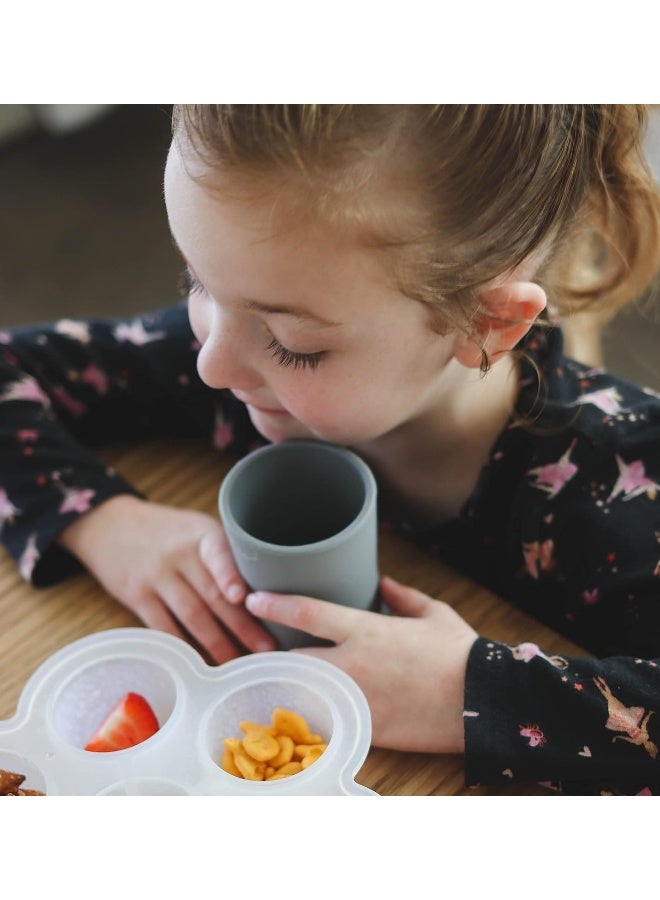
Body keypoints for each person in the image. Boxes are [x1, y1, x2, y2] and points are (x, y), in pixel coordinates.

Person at [1, 105, 659, 795]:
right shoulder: (241, 338)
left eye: (295, 346)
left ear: (485, 323)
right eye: (195, 281)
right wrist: (104, 522)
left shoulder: (624, 480)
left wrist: (469, 694)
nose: (210, 365)